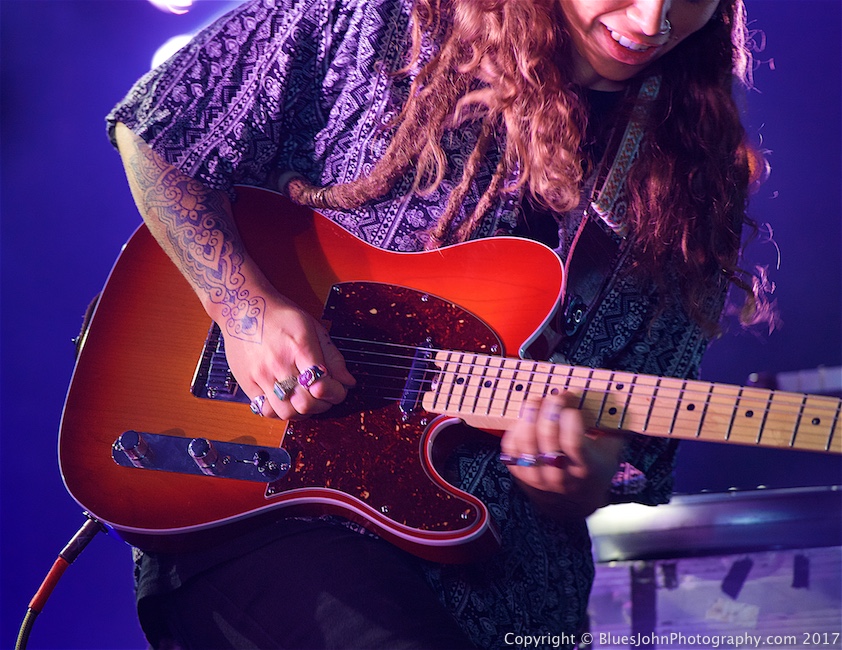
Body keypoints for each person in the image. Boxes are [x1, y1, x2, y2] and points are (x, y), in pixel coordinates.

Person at [106, 0, 771, 647]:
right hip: (273, 509)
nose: (653, 19)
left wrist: (584, 471)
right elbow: (160, 127)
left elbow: (634, 442)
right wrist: (243, 309)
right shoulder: (387, 21)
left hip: (510, 595)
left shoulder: (695, 177)